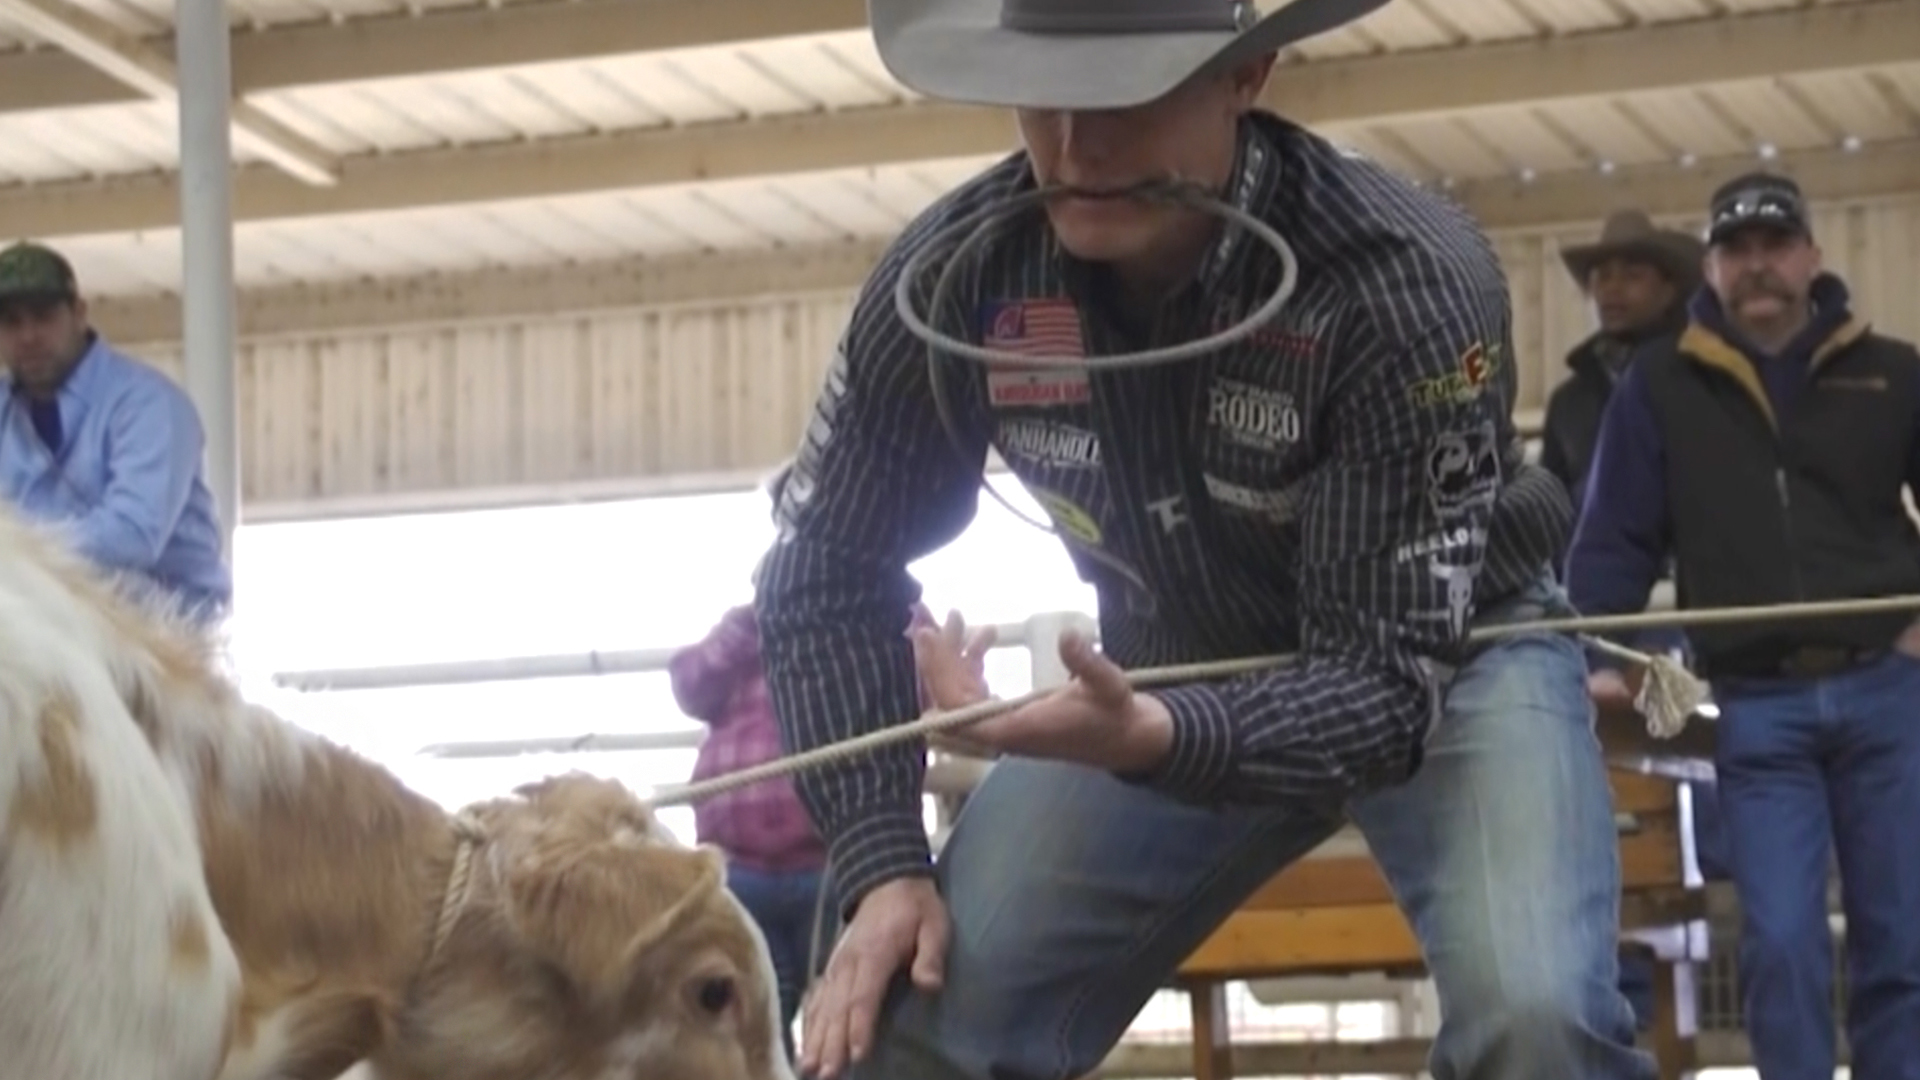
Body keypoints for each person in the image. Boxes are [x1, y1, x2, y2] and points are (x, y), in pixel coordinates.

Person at [753, 2, 1651, 1079]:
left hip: (1451, 654)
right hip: (1169, 664)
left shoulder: (1400, 278)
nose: (1076, 150)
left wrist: (1151, 735)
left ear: (1246, 75)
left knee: (1538, 1026)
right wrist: (882, 861)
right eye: (1042, 100)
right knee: (911, 1022)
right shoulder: (957, 280)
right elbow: (825, 564)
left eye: (1123, 94)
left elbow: (1379, 680)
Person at [1566, 171, 1920, 1080]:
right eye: (1737, 249)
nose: (1758, 265)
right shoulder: (1659, 385)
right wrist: (1599, 653)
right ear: (1712, 269)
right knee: (1780, 940)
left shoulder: (1895, 373)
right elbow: (1614, 538)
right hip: (1757, 705)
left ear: (1811, 256)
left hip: (1891, 690)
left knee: (1905, 937)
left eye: (1775, 245)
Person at [671, 467, 951, 1061]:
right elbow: (691, 684)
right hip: (744, 868)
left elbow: (923, 693)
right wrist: (756, 618)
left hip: (840, 863)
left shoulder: (893, 613)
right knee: (751, 1016)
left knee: (853, 1013)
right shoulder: (751, 624)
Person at [0, 240, 231, 623]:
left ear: (79, 314)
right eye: (11, 322)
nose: (28, 336)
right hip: (47, 623)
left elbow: (133, 535)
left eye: (43, 316)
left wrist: (19, 555)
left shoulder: (149, 404)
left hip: (170, 633)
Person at [1540, 209, 1702, 508]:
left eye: (1632, 276)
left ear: (1668, 292)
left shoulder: (1700, 380)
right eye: (1602, 277)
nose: (1612, 288)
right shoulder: (1568, 404)